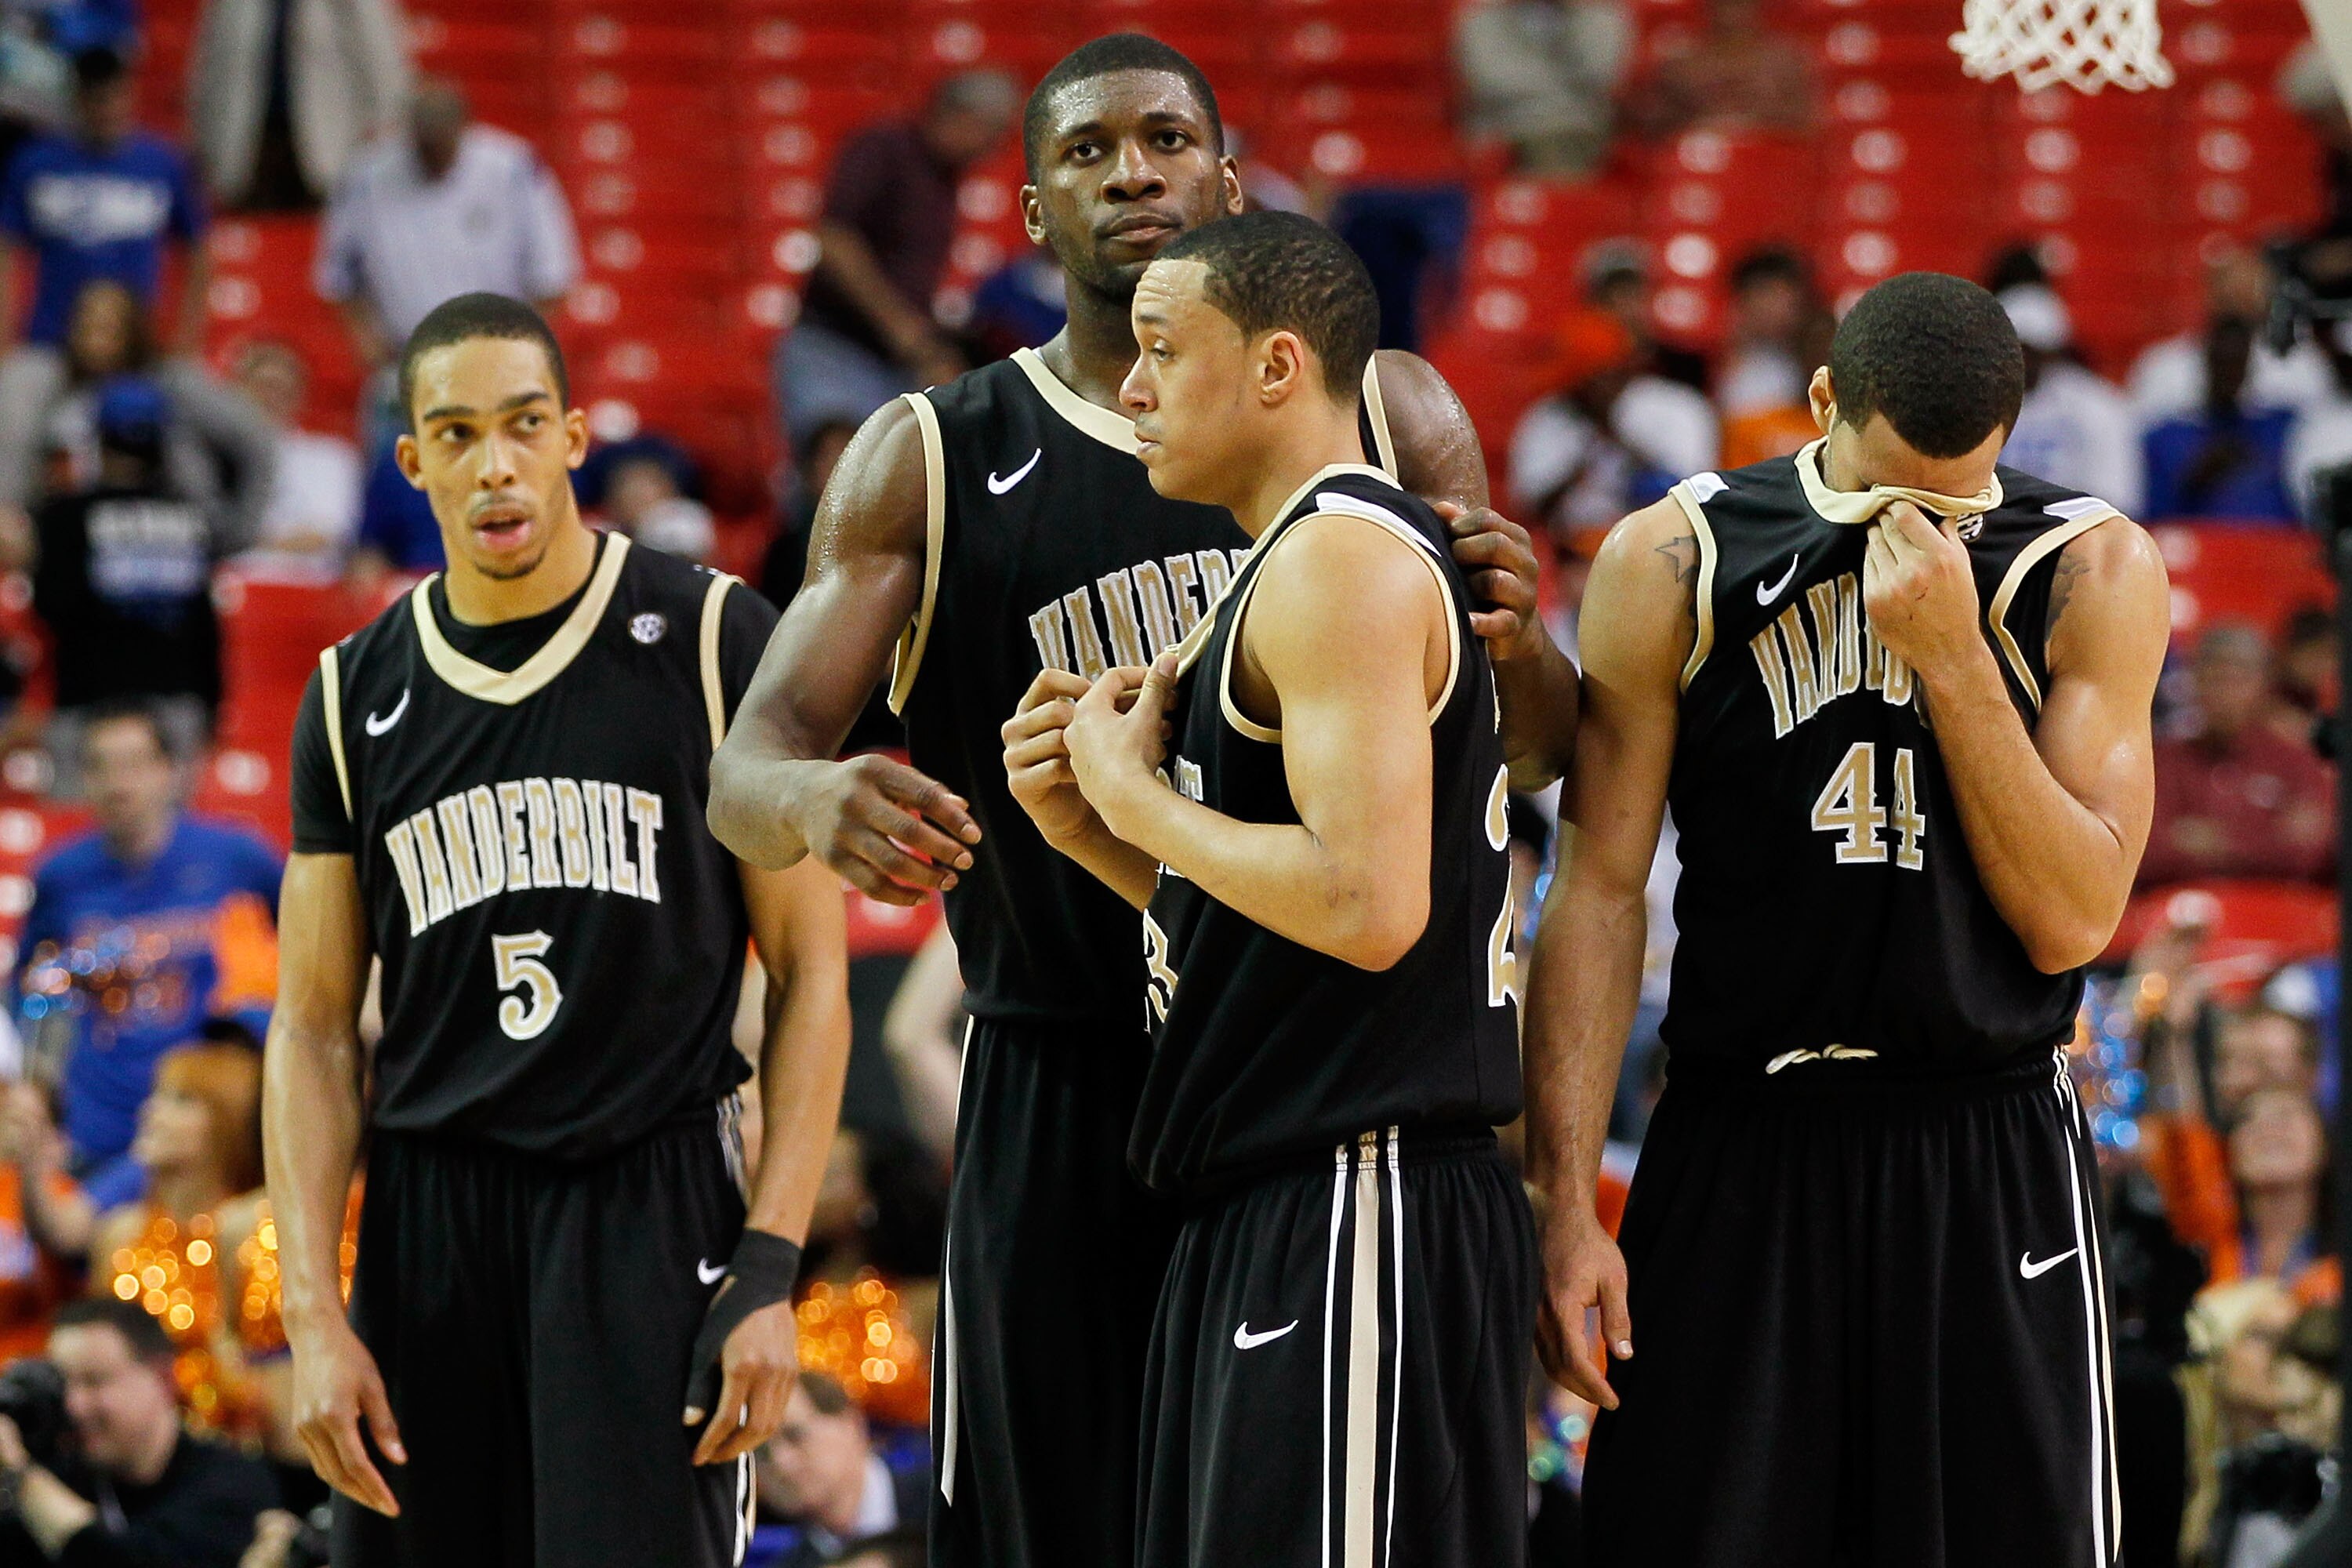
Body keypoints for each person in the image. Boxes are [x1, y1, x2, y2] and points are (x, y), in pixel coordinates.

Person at [706, 34, 1570, 1568]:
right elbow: (745, 769)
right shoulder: (930, 455)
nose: (1133, 173)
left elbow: (1529, 754)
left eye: (1166, 140)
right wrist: (824, 795)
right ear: (1030, 210)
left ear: (1228, 178)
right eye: (1089, 153)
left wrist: (1525, 641)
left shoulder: (1386, 417)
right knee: (1059, 1522)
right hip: (1068, 1069)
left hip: (1309, 1088)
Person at [1527, 270, 2169, 1566]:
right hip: (1742, 1128)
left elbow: (2071, 922)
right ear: (1817, 404)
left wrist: (1953, 658)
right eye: (1889, 493)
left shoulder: (2090, 564)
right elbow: (1595, 888)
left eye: (1955, 498)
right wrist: (1564, 1205)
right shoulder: (1673, 556)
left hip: (1984, 1133)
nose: (1920, 530)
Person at [264, 293, 853, 1566]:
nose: (497, 464)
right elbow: (312, 1026)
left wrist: (768, 1263)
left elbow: (810, 972)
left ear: (575, 434)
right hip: (431, 1224)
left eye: (525, 424)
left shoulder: (709, 637)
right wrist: (315, 1316)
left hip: (649, 1203)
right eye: (458, 433)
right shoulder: (351, 693)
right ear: (411, 460)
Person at [1029, 208, 1534, 1566]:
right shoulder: (1284, 563)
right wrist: (1095, 834)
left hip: (1356, 1193)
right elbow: (1279, 932)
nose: (1129, 388)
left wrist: (1138, 795)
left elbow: (1370, 911)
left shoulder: (1337, 561)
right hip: (1282, 1196)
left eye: (1159, 349)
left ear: (1275, 367)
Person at [14, 700, 279, 1185]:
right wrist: (39, 1085)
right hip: (96, 1125)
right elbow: (28, 987)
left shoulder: (236, 856)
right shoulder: (60, 876)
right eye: (100, 768)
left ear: (170, 772)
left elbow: (312, 936)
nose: (118, 785)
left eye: (134, 765)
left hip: (201, 1128)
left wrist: (258, 1030)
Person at [771, 71, 1020, 461]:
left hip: (887, 360)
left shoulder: (945, 180)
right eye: (991, 136)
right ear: (963, 116)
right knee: (836, 470)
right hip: (833, 347)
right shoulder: (884, 148)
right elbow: (836, 240)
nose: (990, 152)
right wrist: (901, 327)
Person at [0, 46, 209, 495]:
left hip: (139, 349)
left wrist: (187, 338)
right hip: (51, 341)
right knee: (12, 405)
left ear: (130, 96)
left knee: (193, 419)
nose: (107, 110)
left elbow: (197, 251)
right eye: (96, 99)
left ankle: (200, 529)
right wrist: (5, 340)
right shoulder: (35, 163)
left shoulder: (162, 163)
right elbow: (7, 253)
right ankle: (8, 530)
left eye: (115, 97)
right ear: (77, 100)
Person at [314, 80, 579, 427]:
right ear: (408, 135)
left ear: (464, 130)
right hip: (404, 364)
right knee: (400, 475)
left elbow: (551, 276)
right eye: (424, 146)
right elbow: (338, 277)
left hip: (494, 366)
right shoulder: (368, 177)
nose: (433, 156)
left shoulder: (513, 170)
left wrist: (516, 356)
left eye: (442, 144)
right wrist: (366, 339)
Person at [27, 377, 241, 763]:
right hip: (177, 706)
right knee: (167, 823)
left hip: (88, 705)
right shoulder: (190, 516)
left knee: (77, 822)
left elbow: (50, 606)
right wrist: (212, 706)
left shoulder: (64, 516)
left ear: (99, 440)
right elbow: (205, 626)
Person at [0, 1297, 278, 1568]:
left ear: (162, 1379)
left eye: (93, 1381)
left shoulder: (231, 1482)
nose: (73, 1406)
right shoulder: (68, 1477)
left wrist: (21, 1476)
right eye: (62, 1384)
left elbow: (138, 1559)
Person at [87, 1036, 270, 1441]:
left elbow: (260, 1379)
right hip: (126, 1444)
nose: (152, 1112)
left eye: (182, 1101)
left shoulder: (250, 1234)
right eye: (157, 1095)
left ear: (229, 1123)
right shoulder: (118, 1231)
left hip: (230, 1450)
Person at [2140, 623, 2335, 887]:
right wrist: (2268, 839)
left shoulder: (2295, 763)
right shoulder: (2162, 763)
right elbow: (2145, 855)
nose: (2226, 693)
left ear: (2264, 686)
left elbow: (2310, 852)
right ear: (2196, 682)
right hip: (2187, 915)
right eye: (2216, 678)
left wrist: (2218, 842)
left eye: (2240, 680)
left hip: (2277, 916)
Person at [1512, 307, 1719, 539]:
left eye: (1583, 381)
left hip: (1651, 540)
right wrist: (1582, 461)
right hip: (1569, 547)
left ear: (1615, 373)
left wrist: (1619, 441)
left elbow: (1690, 500)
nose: (1572, 392)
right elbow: (1531, 511)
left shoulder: (1675, 407)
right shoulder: (1550, 416)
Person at [188, 0, 410, 212]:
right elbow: (211, 62)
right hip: (252, 146)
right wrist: (205, 138)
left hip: (328, 144)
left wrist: (383, 125)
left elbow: (379, 53)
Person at [1998, 284, 2143, 520]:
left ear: (2054, 352)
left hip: (2071, 532)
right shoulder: (1974, 402)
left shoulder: (2097, 405)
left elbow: (2115, 500)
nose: (2023, 361)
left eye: (2033, 351)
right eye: (2015, 350)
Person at [2141, 314, 2299, 522]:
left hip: (2270, 543)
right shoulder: (2166, 437)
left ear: (2248, 364)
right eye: (2221, 360)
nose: (2228, 372)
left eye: (2236, 361)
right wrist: (2194, 481)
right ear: (2207, 360)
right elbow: (2154, 518)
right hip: (2198, 545)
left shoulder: (2281, 428)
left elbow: (2297, 510)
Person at [760, 1372, 927, 1568]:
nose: (781, 1462)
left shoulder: (951, 1506)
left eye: (795, 1435)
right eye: (760, 1451)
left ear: (853, 1424)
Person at [1451, 0, 1633, 177]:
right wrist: (1564, 80)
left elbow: (1602, 74)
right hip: (1508, 128)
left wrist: (1577, 17)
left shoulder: (1602, 16)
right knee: (1552, 152)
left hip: (1583, 129)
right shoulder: (1480, 19)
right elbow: (1491, 82)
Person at [230, 339, 361, 571]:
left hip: (307, 584)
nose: (270, 397)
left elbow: (328, 535)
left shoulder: (333, 457)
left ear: (299, 396)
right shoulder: (215, 455)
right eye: (262, 386)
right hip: (231, 582)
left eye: (281, 388)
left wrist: (247, 542)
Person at [1632, 0, 1817, 140]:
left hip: (1772, 171)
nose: (1731, 14)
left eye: (1740, 4)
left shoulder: (1787, 63)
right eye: (1724, 4)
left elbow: (1810, 126)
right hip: (1695, 174)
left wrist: (1759, 117)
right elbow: (1653, 133)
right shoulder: (1678, 66)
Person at [1715, 247, 1817, 419]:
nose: (1780, 311)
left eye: (1788, 301)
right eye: (1770, 296)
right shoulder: (1708, 364)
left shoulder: (1811, 365)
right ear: (1744, 299)